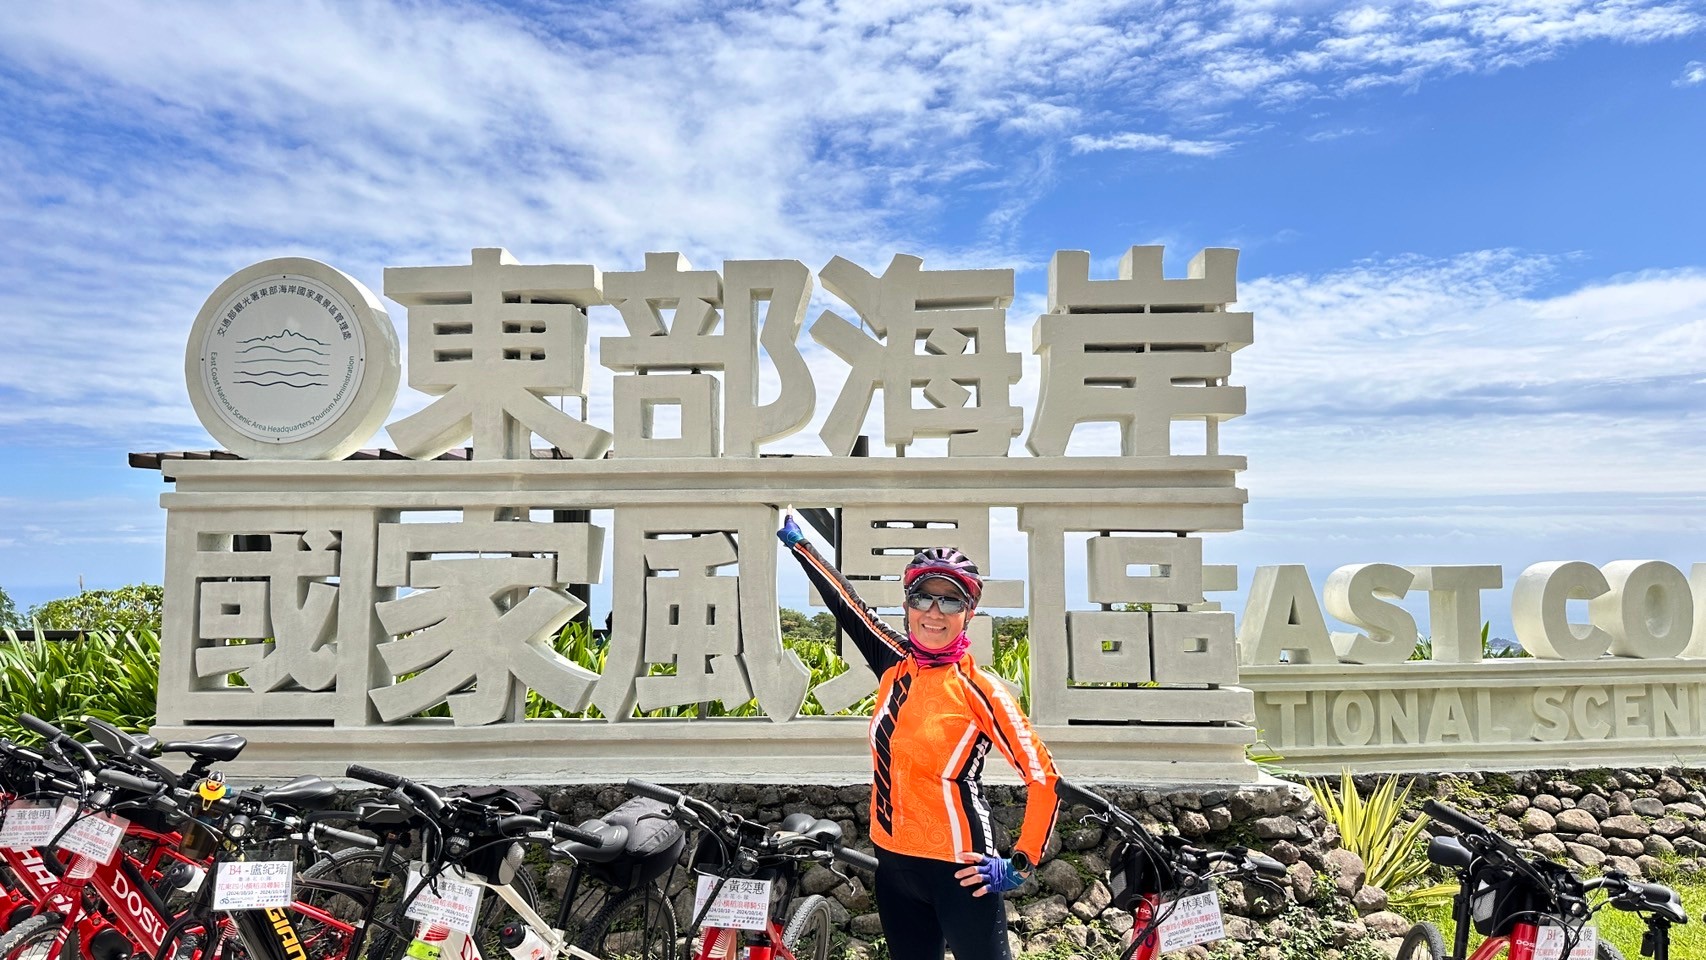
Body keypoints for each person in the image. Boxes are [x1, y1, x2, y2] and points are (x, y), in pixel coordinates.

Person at [778, 513, 1060, 960]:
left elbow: (1043, 776)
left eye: (951, 602)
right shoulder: (894, 664)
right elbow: (849, 606)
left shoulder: (979, 690)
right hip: (893, 864)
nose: (934, 612)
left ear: (968, 614)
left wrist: (1022, 862)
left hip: (961, 870)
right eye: (923, 598)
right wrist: (801, 547)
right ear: (908, 605)